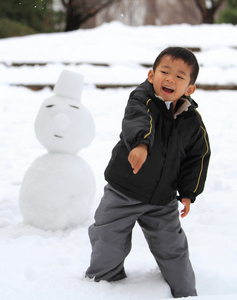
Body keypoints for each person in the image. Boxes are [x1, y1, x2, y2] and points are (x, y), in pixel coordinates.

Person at [85, 47, 211, 298]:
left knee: (173, 249)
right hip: (124, 191)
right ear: (152, 75)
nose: (170, 79)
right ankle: (102, 284)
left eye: (179, 76)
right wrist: (141, 144)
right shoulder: (141, 100)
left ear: (189, 88)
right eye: (164, 71)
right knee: (108, 237)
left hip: (162, 200)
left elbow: (198, 156)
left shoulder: (191, 121)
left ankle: (184, 292)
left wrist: (188, 192)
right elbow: (139, 121)